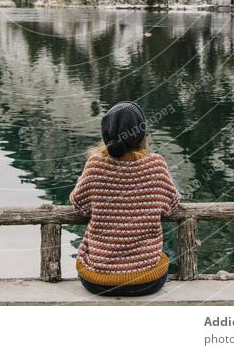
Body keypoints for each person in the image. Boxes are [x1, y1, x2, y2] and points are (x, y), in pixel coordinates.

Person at [69, 100, 181, 297]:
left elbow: (79, 204)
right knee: (161, 259)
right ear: (142, 134)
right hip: (147, 281)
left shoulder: (96, 165)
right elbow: (171, 205)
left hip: (97, 281)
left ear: (106, 134)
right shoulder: (156, 165)